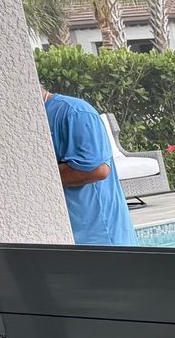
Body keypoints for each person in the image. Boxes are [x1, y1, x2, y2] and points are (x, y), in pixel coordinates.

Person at [42, 88, 137, 247]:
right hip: (60, 239)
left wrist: (31, 177)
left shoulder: (75, 112)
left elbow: (96, 170)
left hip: (101, 241)